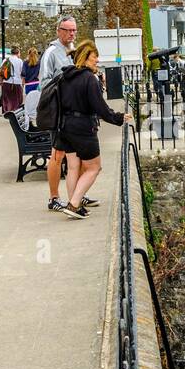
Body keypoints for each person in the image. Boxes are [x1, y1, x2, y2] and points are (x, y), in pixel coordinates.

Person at [55, 40, 131, 219]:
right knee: (94, 168)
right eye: (95, 57)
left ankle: (74, 203)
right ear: (86, 58)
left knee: (73, 168)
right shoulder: (89, 78)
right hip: (83, 127)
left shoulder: (65, 77)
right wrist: (119, 117)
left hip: (65, 126)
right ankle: (74, 205)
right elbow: (100, 107)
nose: (97, 60)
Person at [41, 16, 77, 212]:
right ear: (59, 31)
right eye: (68, 30)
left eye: (74, 30)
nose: (72, 33)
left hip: (74, 111)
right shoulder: (51, 53)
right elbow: (44, 83)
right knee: (57, 155)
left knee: (76, 155)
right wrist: (65, 78)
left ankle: (77, 194)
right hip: (58, 111)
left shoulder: (74, 50)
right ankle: (54, 197)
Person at [0, 47, 24, 115]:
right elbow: (22, 73)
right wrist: (22, 83)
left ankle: (8, 112)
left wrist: (1, 81)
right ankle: (15, 113)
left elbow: (1, 72)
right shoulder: (19, 61)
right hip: (16, 82)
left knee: (7, 98)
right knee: (16, 99)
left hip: (6, 82)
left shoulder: (5, 60)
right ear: (18, 53)